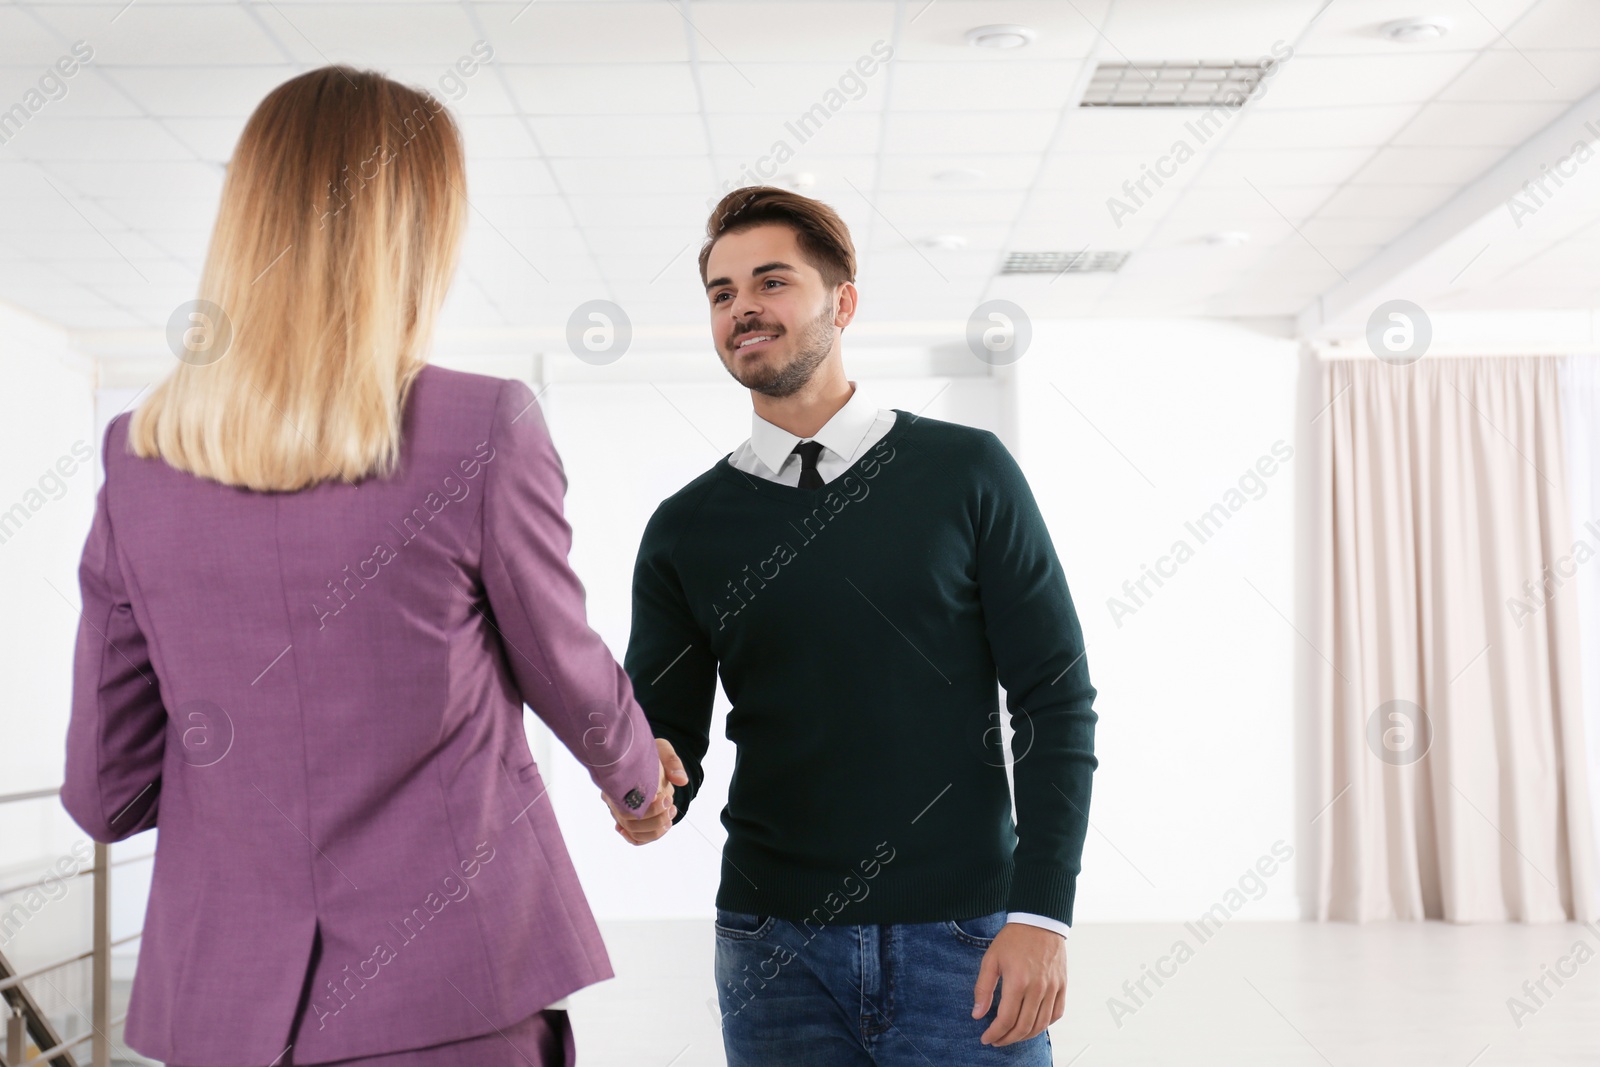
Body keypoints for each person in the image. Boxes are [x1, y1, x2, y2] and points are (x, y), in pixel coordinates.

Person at [60, 65, 674, 1067]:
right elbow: (566, 667)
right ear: (417, 235)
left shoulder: (138, 456)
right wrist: (640, 782)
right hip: (451, 999)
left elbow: (103, 788)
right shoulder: (481, 427)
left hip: (219, 1016)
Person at [605, 186, 1099, 1064]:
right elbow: (666, 739)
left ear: (844, 301)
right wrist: (646, 792)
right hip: (771, 953)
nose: (743, 308)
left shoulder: (966, 474)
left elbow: (1055, 702)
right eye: (721, 294)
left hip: (969, 943)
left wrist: (1041, 912)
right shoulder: (684, 527)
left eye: (771, 282)